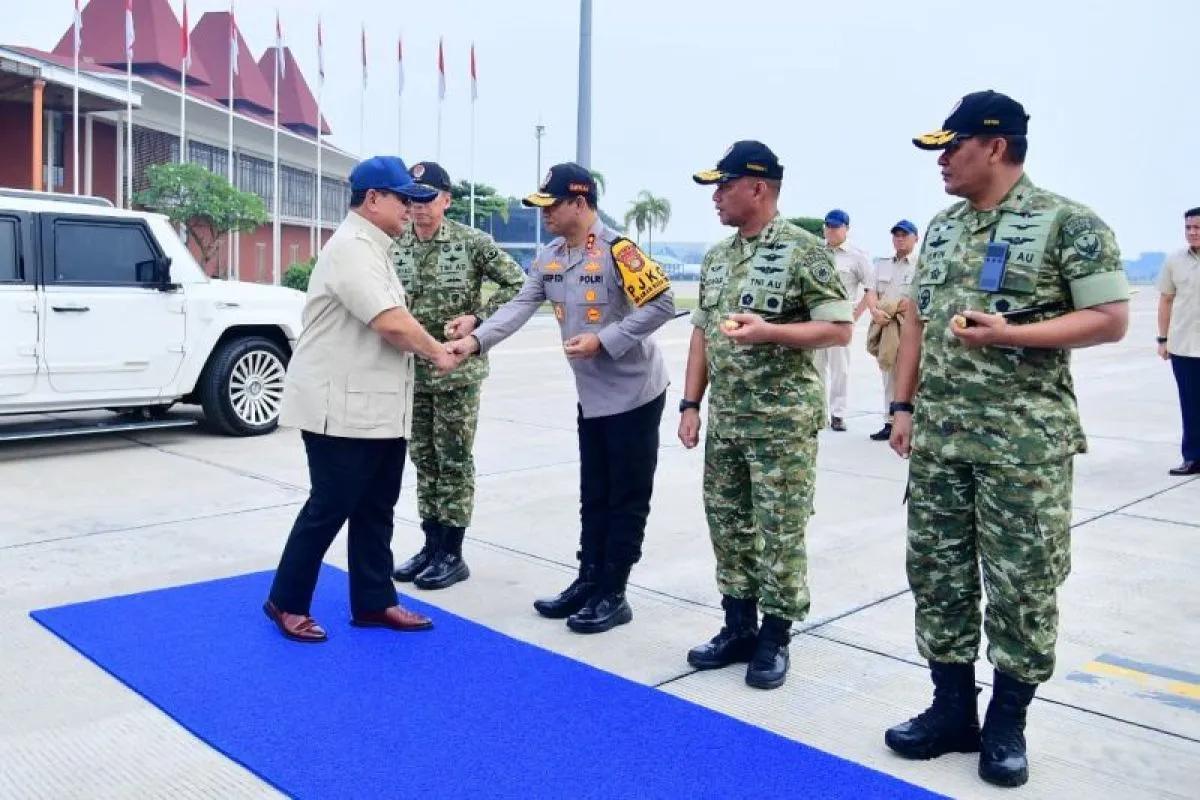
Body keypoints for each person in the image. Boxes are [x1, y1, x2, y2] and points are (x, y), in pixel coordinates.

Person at [885, 91, 1129, 787]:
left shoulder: (1068, 223)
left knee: (1023, 583)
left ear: (995, 146)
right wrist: (902, 405)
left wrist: (1011, 334)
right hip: (940, 439)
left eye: (952, 147)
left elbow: (1111, 318)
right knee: (938, 574)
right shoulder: (941, 228)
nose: (941, 162)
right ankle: (951, 710)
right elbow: (917, 322)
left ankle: (1007, 722)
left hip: (1023, 447)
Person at [446, 163, 675, 634]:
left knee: (626, 495)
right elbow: (519, 305)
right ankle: (589, 579)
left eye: (551, 206)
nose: (544, 214)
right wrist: (475, 341)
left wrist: (604, 340)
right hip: (592, 395)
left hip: (634, 392)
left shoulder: (619, 251)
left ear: (580, 203)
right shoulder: (550, 256)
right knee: (594, 491)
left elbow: (662, 304)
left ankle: (614, 592)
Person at [263, 156, 458, 643]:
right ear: (373, 199)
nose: (411, 209)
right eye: (403, 199)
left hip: (375, 407)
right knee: (329, 506)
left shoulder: (375, 248)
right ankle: (286, 601)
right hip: (340, 409)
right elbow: (390, 322)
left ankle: (374, 602)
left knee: (376, 508)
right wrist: (438, 352)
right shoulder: (352, 248)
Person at [679, 141, 852, 689]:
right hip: (728, 417)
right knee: (727, 522)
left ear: (758, 188)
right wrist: (690, 403)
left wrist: (771, 331)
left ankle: (775, 636)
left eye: (724, 185)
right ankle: (738, 627)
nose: (716, 196)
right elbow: (702, 334)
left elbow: (839, 328)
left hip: (781, 422)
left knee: (779, 529)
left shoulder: (804, 251)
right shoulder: (717, 257)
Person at [389, 161, 526, 590]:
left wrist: (478, 318)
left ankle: (452, 552)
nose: (419, 207)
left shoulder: (471, 242)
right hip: (411, 372)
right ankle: (431, 545)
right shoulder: (395, 244)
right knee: (423, 459)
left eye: (428, 199)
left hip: (456, 373)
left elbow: (519, 286)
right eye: (412, 199)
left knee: (453, 460)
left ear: (447, 200)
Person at [812, 209, 874, 431]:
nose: (831, 230)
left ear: (846, 229)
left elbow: (870, 288)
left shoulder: (857, 256)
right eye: (828, 226)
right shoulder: (815, 252)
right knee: (815, 368)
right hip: (816, 318)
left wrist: (855, 316)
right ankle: (817, 413)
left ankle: (837, 414)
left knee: (840, 370)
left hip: (840, 320)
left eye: (836, 227)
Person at [866, 220, 919, 441]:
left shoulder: (921, 265)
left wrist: (894, 307)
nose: (900, 239)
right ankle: (890, 421)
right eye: (896, 235)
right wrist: (874, 311)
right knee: (888, 374)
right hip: (887, 325)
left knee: (913, 374)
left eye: (904, 235)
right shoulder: (882, 265)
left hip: (911, 326)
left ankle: (912, 421)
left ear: (916, 238)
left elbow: (914, 301)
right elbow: (871, 291)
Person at [1157, 208, 1200, 476]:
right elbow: (1166, 300)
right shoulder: (1174, 260)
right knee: (1190, 405)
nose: (1192, 232)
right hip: (1184, 346)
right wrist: (1163, 339)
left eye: (1197, 228)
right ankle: (1193, 458)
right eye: (1188, 228)